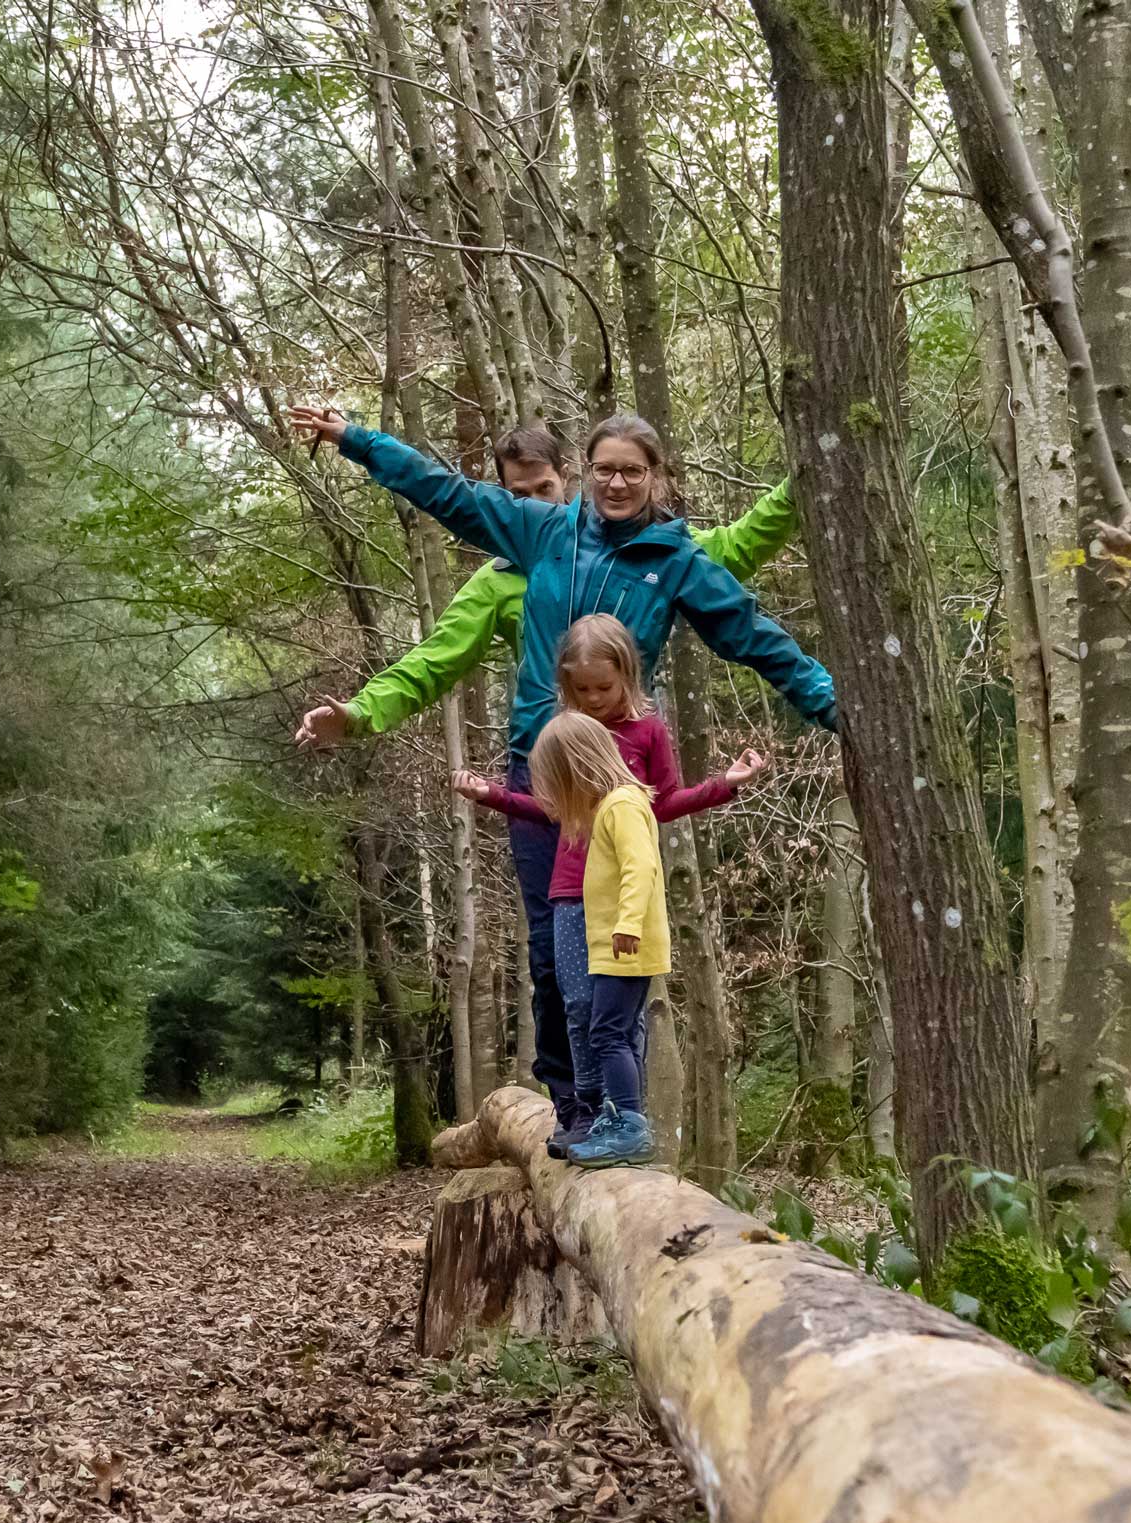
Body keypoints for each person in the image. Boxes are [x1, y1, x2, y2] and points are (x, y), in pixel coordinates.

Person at [289, 404, 836, 1138]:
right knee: (552, 950)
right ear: (585, 473)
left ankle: (620, 1109)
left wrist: (834, 706)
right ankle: (572, 1108)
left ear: (658, 478)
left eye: (632, 472)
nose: (617, 483)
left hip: (618, 782)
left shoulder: (677, 560)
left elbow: (756, 637)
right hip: (540, 771)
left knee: (613, 944)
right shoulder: (541, 532)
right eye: (605, 469)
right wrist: (356, 439)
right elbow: (441, 490)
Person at [454, 615, 766, 1155]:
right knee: (571, 1005)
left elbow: (661, 802)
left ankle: (622, 1118)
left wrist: (722, 787)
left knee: (612, 1015)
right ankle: (580, 1109)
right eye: (582, 689)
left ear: (628, 675)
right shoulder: (565, 735)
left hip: (615, 896)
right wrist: (491, 794)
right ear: (566, 687)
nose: (595, 698)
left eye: (605, 686)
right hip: (568, 890)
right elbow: (553, 809)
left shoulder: (646, 734)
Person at [288, 426, 800, 748]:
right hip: (542, 753)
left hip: (624, 752)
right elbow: (433, 662)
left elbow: (740, 544)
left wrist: (803, 479)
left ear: (567, 480)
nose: (536, 501)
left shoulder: (657, 551)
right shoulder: (495, 585)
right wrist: (360, 712)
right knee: (554, 913)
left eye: (545, 489)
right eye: (520, 494)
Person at [515, 711, 671, 1168]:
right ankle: (615, 1119)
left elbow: (638, 867)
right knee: (605, 1029)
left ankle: (629, 1123)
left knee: (608, 1032)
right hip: (614, 944)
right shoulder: (612, 806)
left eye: (561, 788)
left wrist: (627, 923)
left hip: (626, 944)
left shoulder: (622, 805)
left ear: (579, 770)